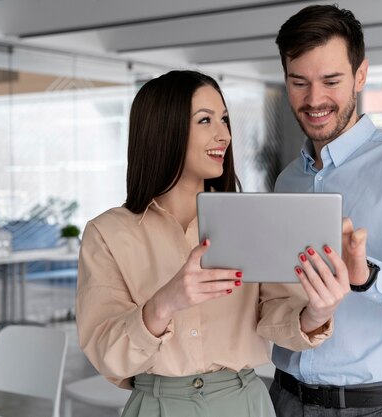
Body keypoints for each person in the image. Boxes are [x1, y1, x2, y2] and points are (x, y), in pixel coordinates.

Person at [76, 70, 357, 417]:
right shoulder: (106, 234)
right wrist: (163, 304)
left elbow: (275, 314)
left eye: (224, 119)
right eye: (205, 120)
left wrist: (317, 312)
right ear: (163, 129)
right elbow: (105, 353)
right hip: (156, 406)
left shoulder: (250, 219)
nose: (223, 134)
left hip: (243, 403)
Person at [263, 5, 382, 416]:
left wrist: (368, 276)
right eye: (299, 82)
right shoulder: (287, 181)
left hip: (372, 407)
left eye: (331, 81)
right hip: (283, 399)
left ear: (361, 75)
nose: (314, 99)